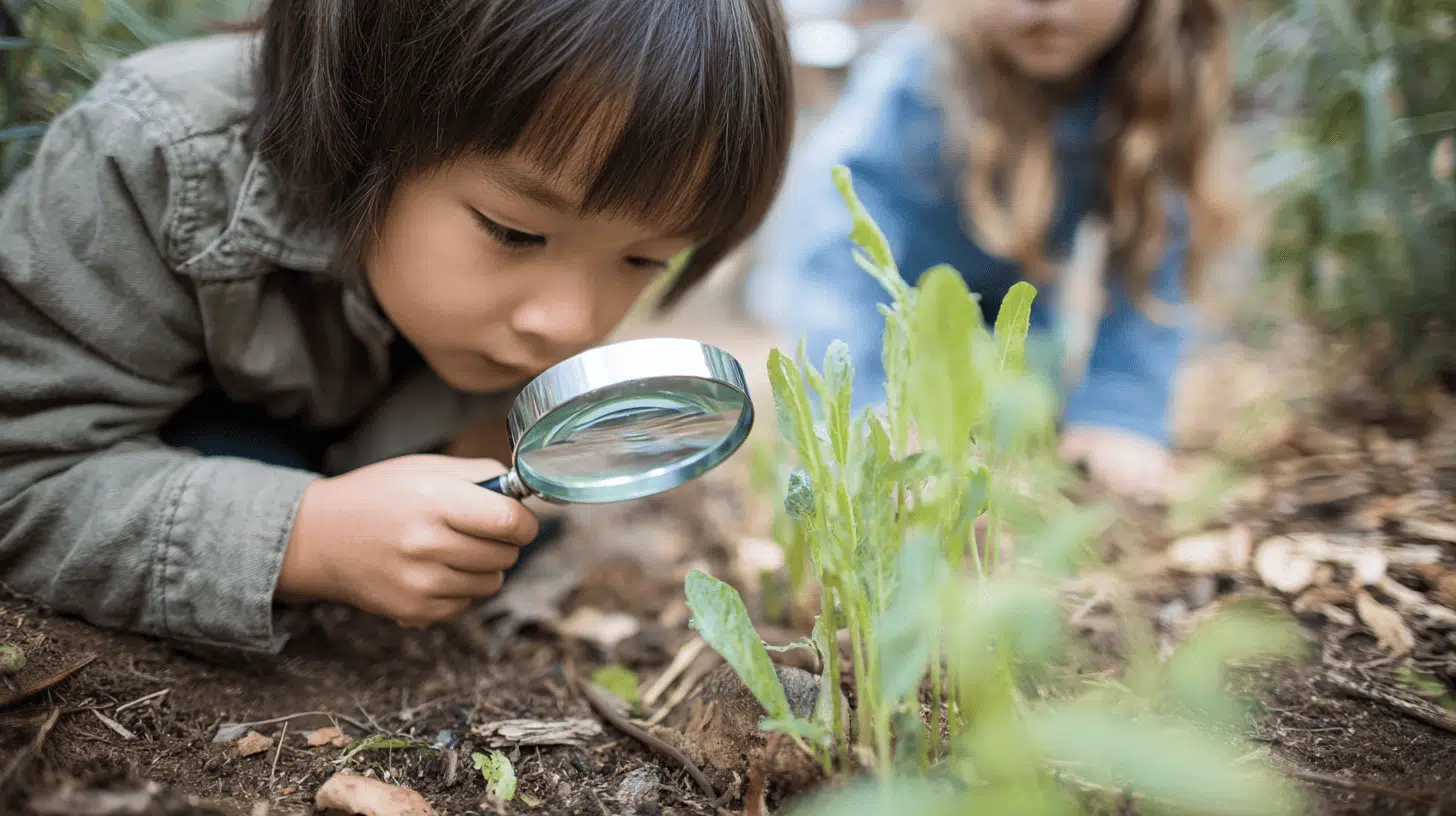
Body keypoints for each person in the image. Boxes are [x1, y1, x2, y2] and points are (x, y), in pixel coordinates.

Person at [0, 0, 793, 657]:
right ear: (367, 126)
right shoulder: (151, 161)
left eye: (642, 261)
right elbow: (22, 475)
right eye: (514, 233)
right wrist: (304, 538)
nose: (570, 323)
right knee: (237, 454)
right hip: (171, 434)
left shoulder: (499, 284)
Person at [747, 0, 1239, 502]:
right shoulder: (917, 78)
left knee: (1018, 435)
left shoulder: (1149, 87)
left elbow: (1154, 249)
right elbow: (836, 247)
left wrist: (1121, 410)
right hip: (889, 315)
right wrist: (868, 406)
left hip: (1012, 314)